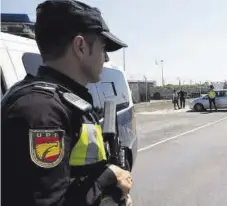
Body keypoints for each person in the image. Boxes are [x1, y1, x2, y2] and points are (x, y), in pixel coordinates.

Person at [1, 1, 133, 205]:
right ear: (80, 47)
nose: (106, 58)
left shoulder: (60, 101)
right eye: (103, 47)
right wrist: (110, 177)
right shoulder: (41, 112)